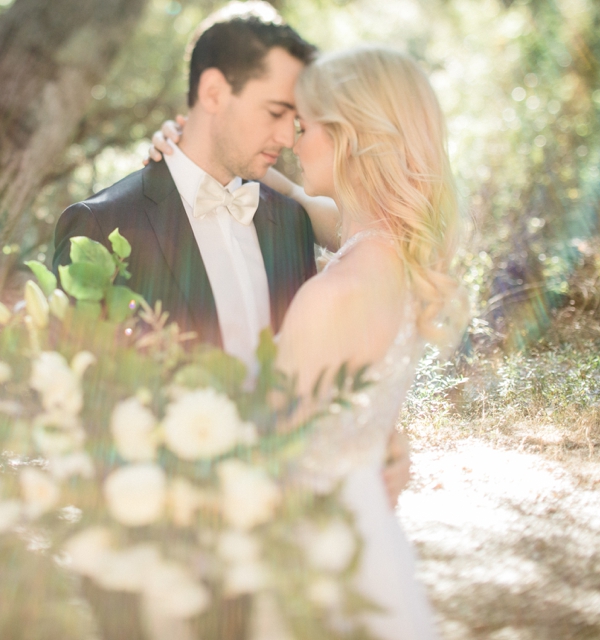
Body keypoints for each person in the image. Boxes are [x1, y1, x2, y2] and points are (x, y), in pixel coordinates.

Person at [156, 45, 466, 639]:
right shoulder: (394, 260)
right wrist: (199, 149)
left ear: (351, 136)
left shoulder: (335, 294)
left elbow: (264, 465)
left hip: (313, 567)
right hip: (367, 541)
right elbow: (309, 205)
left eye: (307, 125)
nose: (294, 140)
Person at [53, 2, 411, 507]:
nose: (289, 138)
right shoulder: (101, 226)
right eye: (275, 112)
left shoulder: (290, 222)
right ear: (215, 92)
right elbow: (76, 422)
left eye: (296, 119)